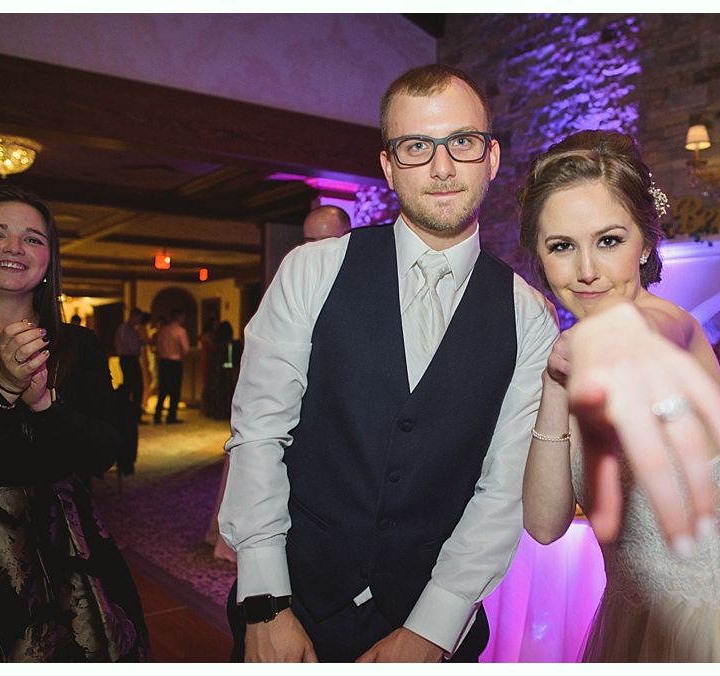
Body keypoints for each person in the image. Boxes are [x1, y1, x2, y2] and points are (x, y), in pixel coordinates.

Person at [218, 64, 559, 663]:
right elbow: (259, 435)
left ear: (491, 157)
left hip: (431, 625)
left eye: (462, 142)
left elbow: (503, 488)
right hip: (292, 607)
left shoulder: (529, 315)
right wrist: (267, 604)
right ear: (388, 165)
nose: (442, 167)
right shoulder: (312, 270)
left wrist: (432, 627)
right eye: (416, 146)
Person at [519, 130, 720, 662]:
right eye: (562, 246)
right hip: (626, 629)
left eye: (609, 241)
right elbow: (544, 526)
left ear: (645, 244)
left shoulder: (675, 326)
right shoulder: (568, 358)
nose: (586, 270)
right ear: (542, 260)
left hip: (708, 638)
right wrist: (553, 386)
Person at [0, 185, 150, 661]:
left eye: (32, 239)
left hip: (68, 546)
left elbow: (104, 450)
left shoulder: (78, 344)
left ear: (48, 260)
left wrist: (46, 404)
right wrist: (1, 388)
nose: (14, 247)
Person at [153, 308, 190, 424]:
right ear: (179, 317)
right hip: (175, 362)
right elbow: (185, 349)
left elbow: (158, 345)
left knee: (163, 390)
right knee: (175, 390)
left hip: (163, 362)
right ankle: (171, 416)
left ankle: (157, 415)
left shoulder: (163, 330)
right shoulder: (180, 331)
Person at [115, 307, 145, 422]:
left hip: (130, 358)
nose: (139, 321)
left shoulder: (132, 329)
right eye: (139, 318)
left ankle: (133, 414)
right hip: (128, 358)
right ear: (134, 316)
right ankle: (129, 415)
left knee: (135, 387)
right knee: (132, 387)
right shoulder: (125, 329)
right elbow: (128, 346)